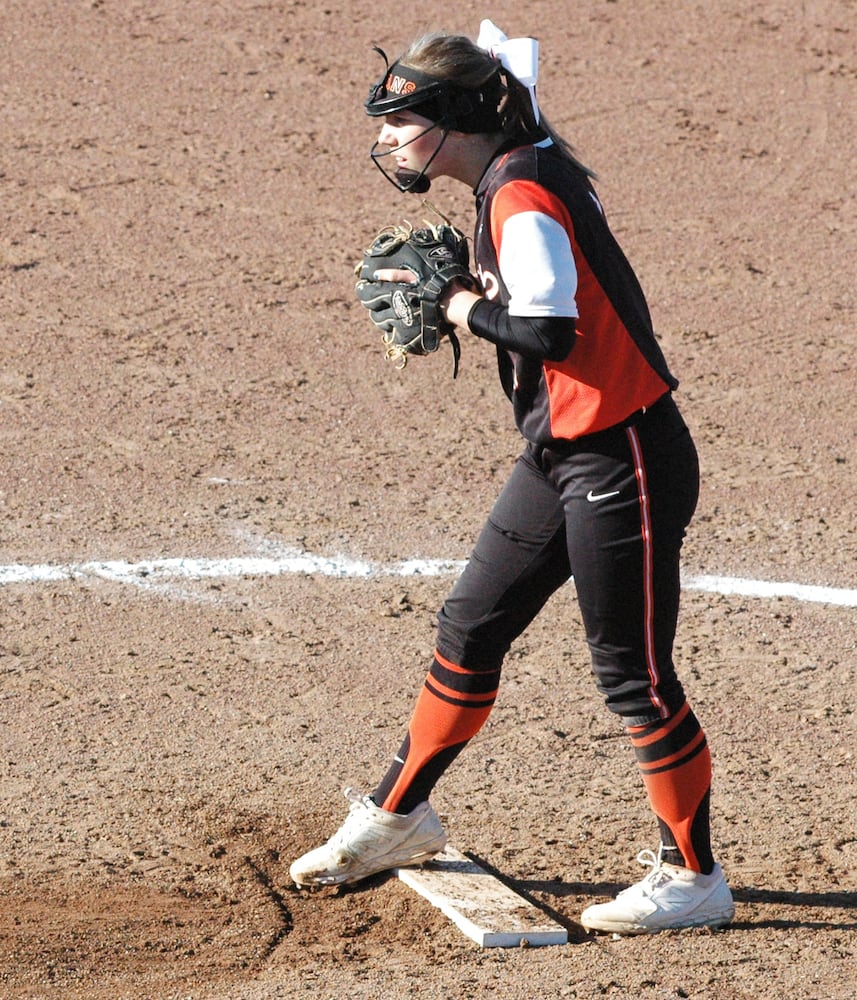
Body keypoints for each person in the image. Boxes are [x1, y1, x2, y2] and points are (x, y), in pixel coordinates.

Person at [289, 20, 735, 936]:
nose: (385, 138)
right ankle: (399, 816)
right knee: (469, 625)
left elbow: (550, 336)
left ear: (452, 121)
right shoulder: (513, 166)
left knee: (634, 676)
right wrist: (479, 297)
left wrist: (456, 301)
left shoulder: (521, 194)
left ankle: (693, 877)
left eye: (400, 120)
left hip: (625, 458)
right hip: (563, 452)